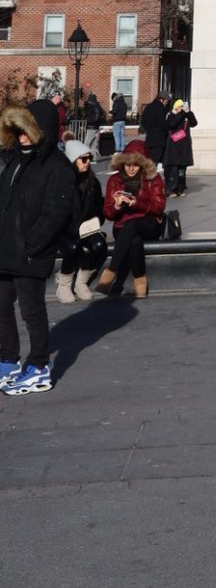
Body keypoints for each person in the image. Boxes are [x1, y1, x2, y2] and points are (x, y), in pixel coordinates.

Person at [0, 100, 75, 395]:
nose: (22, 138)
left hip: (31, 252)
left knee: (32, 310)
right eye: (18, 132)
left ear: (40, 130)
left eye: (26, 132)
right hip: (6, 248)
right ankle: (7, 359)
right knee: (1, 306)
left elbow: (55, 213)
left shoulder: (57, 167)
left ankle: (39, 365)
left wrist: (32, 244)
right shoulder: (17, 160)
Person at [97, 140, 166, 297]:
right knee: (133, 239)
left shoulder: (153, 179)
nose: (131, 168)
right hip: (122, 225)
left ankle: (110, 271)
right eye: (127, 164)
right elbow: (108, 214)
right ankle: (140, 281)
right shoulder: (114, 181)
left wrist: (136, 203)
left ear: (142, 164)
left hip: (149, 223)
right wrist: (116, 206)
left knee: (132, 225)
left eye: (135, 164)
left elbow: (158, 208)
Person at [55, 139, 105, 303]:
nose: (88, 162)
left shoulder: (92, 182)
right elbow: (55, 213)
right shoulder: (62, 183)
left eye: (89, 158)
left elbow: (99, 208)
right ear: (73, 160)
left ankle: (81, 283)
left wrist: (97, 220)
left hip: (85, 228)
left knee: (99, 245)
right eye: (83, 159)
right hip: (63, 230)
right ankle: (63, 284)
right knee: (74, 247)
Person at [163, 99, 197, 197]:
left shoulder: (186, 115)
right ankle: (172, 190)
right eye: (180, 106)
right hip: (174, 146)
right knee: (174, 170)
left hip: (184, 146)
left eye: (183, 106)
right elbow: (171, 124)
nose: (182, 108)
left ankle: (180, 189)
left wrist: (189, 113)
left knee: (182, 170)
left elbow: (194, 123)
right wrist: (181, 113)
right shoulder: (171, 115)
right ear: (176, 107)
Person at [139, 88, 171, 171]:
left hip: (149, 138)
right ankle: (150, 181)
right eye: (166, 101)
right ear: (162, 100)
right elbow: (163, 124)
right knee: (154, 164)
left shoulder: (148, 107)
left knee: (149, 162)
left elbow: (143, 121)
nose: (167, 103)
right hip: (159, 140)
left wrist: (149, 129)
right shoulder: (161, 109)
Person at [83, 92, 104, 161]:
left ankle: (85, 158)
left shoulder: (91, 107)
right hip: (96, 127)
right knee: (94, 144)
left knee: (87, 143)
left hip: (91, 127)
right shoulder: (98, 106)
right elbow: (100, 116)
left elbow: (91, 116)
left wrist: (89, 121)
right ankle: (94, 159)